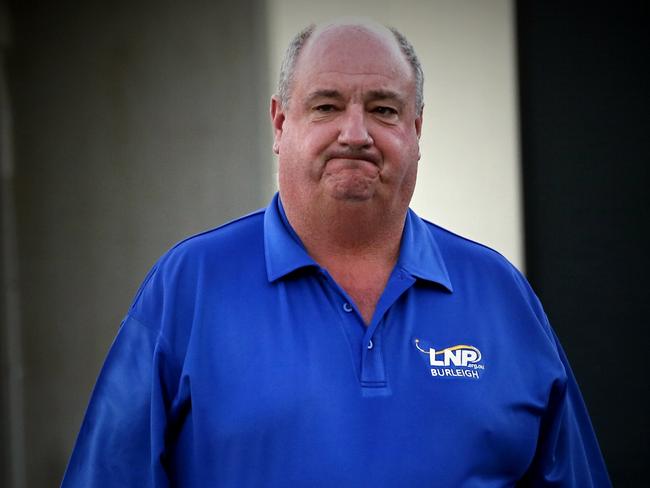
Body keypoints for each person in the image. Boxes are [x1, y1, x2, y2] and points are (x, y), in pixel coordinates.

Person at [62, 19, 611, 487]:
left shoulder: (500, 294)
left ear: (417, 129)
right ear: (281, 123)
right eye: (327, 106)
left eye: (384, 110)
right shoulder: (189, 287)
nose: (356, 133)